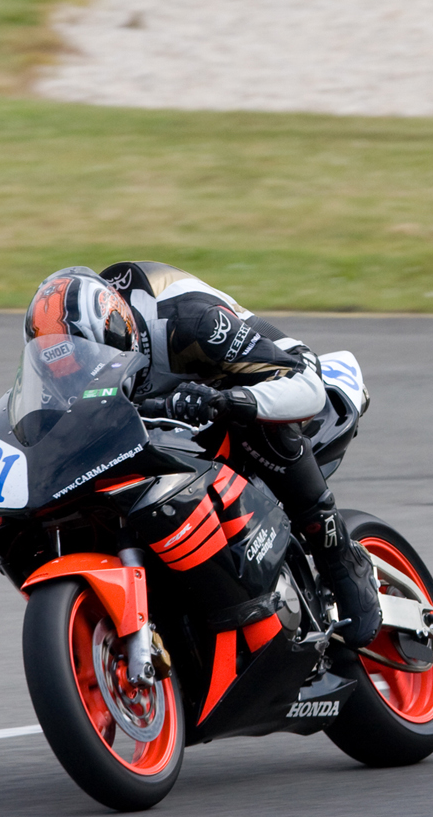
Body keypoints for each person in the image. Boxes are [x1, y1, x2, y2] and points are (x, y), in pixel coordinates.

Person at [22, 262, 382, 647]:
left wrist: (230, 399)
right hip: (164, 407)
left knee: (253, 423)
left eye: (85, 364)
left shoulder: (189, 323)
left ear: (118, 332)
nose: (78, 376)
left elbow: (303, 385)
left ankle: (339, 555)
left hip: (269, 372)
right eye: (65, 372)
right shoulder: (59, 365)